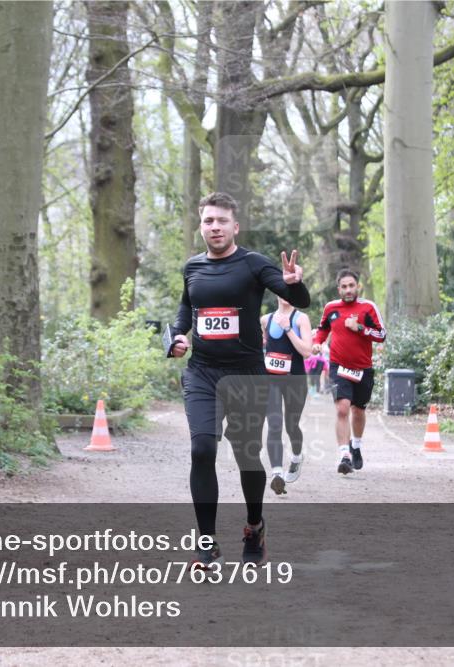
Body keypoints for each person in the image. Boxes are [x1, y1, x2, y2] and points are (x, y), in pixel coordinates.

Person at [169, 192, 310, 570]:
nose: (214, 227)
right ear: (201, 226)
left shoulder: (252, 264)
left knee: (247, 455)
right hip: (203, 373)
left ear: (235, 226)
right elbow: (188, 308)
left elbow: (301, 298)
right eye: (207, 221)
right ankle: (206, 544)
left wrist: (294, 284)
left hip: (247, 375)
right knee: (202, 451)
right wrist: (180, 335)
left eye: (221, 221)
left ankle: (254, 526)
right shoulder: (192, 267)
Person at [310, 269, 386, 475]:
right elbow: (322, 329)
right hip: (338, 366)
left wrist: (360, 328)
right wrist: (317, 342)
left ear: (357, 286)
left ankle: (356, 445)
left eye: (351, 285)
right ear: (339, 289)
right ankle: (344, 455)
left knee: (358, 410)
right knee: (342, 409)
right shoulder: (331, 308)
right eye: (344, 287)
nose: (348, 290)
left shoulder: (368, 307)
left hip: (363, 369)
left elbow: (381, 335)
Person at [260, 296, 313, 495]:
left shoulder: (301, 319)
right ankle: (276, 474)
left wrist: (288, 329)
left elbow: (307, 351)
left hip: (295, 380)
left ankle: (297, 457)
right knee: (274, 424)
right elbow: (262, 345)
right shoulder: (265, 319)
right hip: (271, 380)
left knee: (292, 425)